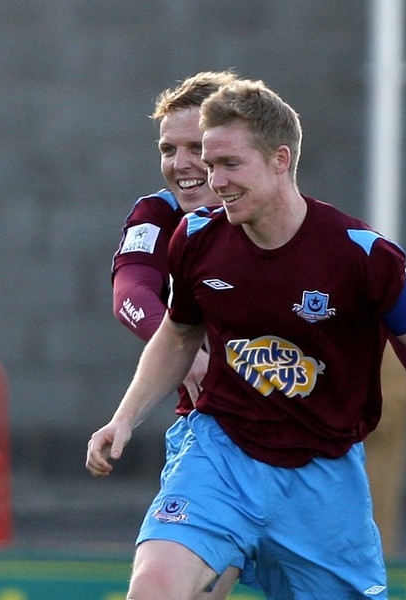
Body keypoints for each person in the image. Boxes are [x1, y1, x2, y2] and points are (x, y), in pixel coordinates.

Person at [88, 78, 406, 599]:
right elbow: (177, 331)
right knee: (157, 585)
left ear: (280, 159)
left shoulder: (359, 253)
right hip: (221, 450)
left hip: (322, 474)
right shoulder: (195, 236)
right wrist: (124, 417)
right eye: (210, 166)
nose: (214, 180)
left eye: (229, 165)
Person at [110, 69, 241, 600]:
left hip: (311, 446)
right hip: (212, 436)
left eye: (196, 148)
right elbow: (130, 297)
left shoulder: (285, 220)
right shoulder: (158, 213)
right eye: (169, 148)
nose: (181, 165)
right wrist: (190, 360)